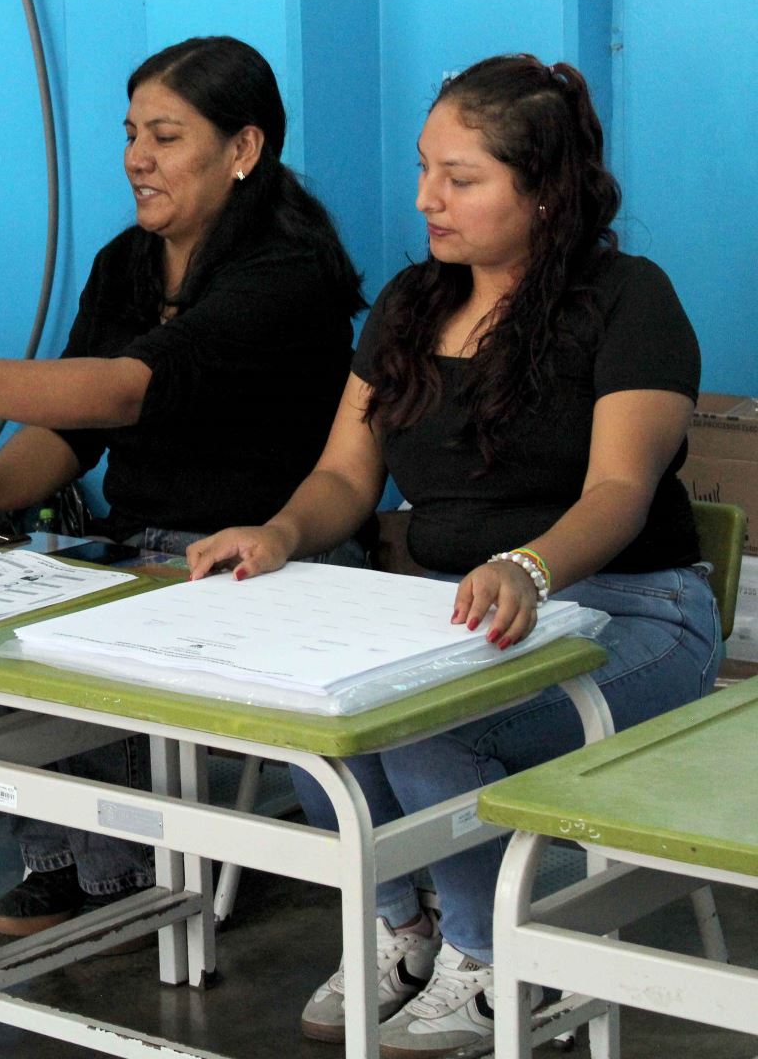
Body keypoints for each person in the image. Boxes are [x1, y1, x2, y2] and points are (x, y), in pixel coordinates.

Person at [186, 55, 721, 1057]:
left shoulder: (629, 299)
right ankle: (402, 927)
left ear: (546, 188)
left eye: (460, 177)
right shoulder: (410, 304)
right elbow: (345, 474)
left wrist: (529, 567)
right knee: (318, 719)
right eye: (425, 170)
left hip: (635, 613)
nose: (427, 198)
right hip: (451, 618)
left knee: (433, 733)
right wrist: (280, 533)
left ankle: (490, 957)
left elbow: (618, 491)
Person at [0, 36, 367, 940]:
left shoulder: (286, 273)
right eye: (130, 135)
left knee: (91, 642)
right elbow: (73, 430)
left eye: (165, 136)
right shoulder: (126, 261)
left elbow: (126, 390)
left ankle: (128, 868)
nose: (136, 159)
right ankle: (65, 859)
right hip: (136, 547)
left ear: (243, 148)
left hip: (269, 559)